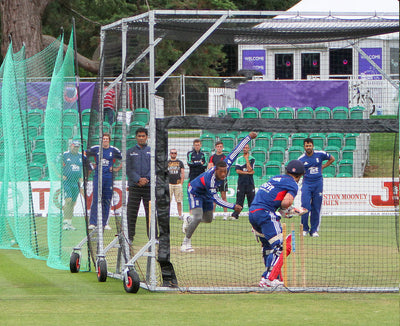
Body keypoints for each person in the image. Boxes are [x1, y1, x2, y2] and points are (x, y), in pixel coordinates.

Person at [181, 132, 258, 253]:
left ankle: (189, 220)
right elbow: (216, 199)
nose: (223, 175)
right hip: (195, 191)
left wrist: (248, 137)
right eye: (221, 172)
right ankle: (185, 243)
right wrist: (233, 206)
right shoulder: (210, 179)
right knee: (197, 216)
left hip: (206, 193)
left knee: (208, 219)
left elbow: (236, 150)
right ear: (216, 170)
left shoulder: (226, 163)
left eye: (225, 172)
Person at [249, 160, 305, 287]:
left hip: (253, 213)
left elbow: (274, 199)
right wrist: (290, 210)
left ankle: (272, 278)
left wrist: (285, 211)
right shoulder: (293, 184)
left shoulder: (275, 178)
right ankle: (269, 278)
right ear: (300, 175)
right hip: (265, 214)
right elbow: (285, 203)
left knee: (268, 247)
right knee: (281, 246)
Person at [298, 137, 335, 237]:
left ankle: (314, 230)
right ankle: (304, 229)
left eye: (310, 145)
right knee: (305, 206)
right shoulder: (301, 159)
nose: (308, 147)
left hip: (318, 183)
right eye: (306, 146)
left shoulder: (320, 154)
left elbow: (332, 158)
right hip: (307, 184)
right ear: (304, 147)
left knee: (316, 207)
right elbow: (298, 170)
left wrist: (323, 166)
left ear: (312, 146)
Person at [87, 133, 122, 230]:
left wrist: (116, 168)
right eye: (103, 139)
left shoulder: (113, 150)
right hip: (98, 177)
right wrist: (91, 165)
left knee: (107, 200)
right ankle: (93, 222)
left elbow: (123, 158)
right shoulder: (96, 149)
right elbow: (85, 154)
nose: (105, 140)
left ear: (109, 140)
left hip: (108, 178)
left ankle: (104, 223)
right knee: (96, 199)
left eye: (107, 139)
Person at [126, 127, 152, 242]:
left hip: (148, 187)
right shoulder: (130, 151)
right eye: (139, 136)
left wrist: (146, 179)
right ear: (136, 137)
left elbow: (154, 167)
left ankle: (152, 237)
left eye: (143, 136)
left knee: (150, 213)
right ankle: (130, 236)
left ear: (147, 137)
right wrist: (138, 179)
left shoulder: (152, 151)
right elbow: (128, 169)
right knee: (131, 212)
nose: (141, 138)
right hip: (134, 187)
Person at [61, 140, 85, 231]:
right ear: (71, 146)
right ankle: (65, 222)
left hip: (76, 182)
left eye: (77, 147)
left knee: (72, 203)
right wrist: (59, 175)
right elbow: (53, 163)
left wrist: (82, 177)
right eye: (74, 146)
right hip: (67, 181)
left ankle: (69, 223)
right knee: (68, 200)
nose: (76, 148)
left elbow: (86, 166)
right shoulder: (65, 155)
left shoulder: (81, 156)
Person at [231, 143, 255, 221]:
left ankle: (253, 216)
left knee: (251, 201)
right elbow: (238, 171)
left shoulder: (252, 159)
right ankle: (235, 215)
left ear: (249, 149)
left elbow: (250, 169)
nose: (245, 149)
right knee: (239, 200)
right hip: (241, 183)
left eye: (246, 148)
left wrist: (247, 160)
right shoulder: (239, 159)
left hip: (250, 183)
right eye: (244, 148)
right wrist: (247, 173)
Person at [207, 141, 229, 219]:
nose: (219, 148)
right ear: (216, 147)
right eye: (218, 146)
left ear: (222, 147)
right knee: (214, 196)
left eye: (220, 146)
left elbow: (226, 168)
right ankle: (213, 214)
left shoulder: (224, 157)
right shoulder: (212, 157)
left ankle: (225, 214)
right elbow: (210, 167)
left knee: (223, 196)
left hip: (222, 179)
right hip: (214, 179)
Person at [167, 149, 185, 220]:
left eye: (175, 153)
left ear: (176, 154)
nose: (173, 154)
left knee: (179, 201)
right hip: (169, 184)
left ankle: (180, 215)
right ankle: (167, 215)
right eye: (172, 153)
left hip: (177, 184)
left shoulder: (180, 162)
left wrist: (181, 183)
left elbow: (182, 173)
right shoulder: (167, 162)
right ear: (170, 154)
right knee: (168, 201)